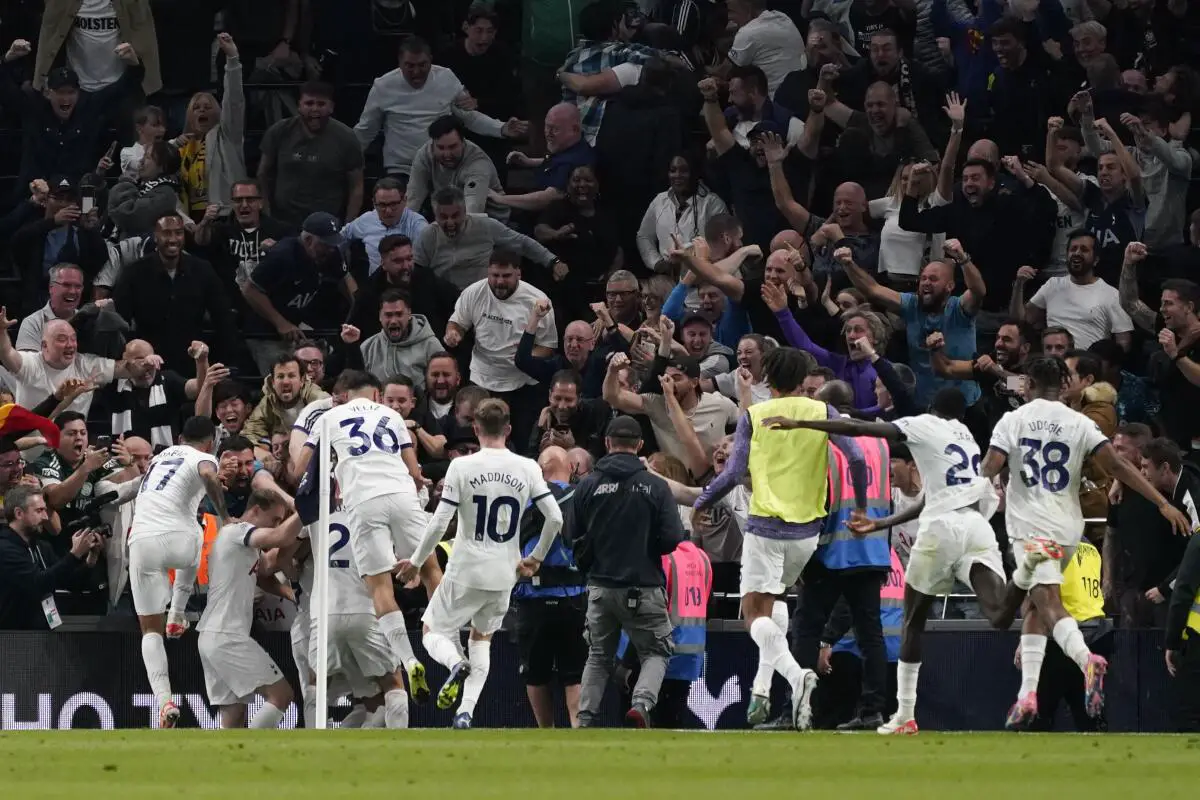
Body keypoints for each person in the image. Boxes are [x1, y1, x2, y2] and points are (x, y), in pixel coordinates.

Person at [778, 388, 1015, 734]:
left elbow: (860, 430)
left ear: (932, 409)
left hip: (876, 543)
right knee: (996, 614)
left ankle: (900, 714)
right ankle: (1023, 577)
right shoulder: (967, 440)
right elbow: (937, 493)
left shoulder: (921, 426)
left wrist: (800, 422)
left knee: (908, 623)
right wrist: (882, 523)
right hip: (960, 530)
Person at [980, 356, 1190, 729]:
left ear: (1028, 384)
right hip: (1068, 528)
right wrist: (1161, 503)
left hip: (1031, 526)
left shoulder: (1013, 420)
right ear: (1063, 385)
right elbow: (1120, 467)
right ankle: (1027, 693)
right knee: (1035, 606)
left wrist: (973, 494)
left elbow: (990, 466)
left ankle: (1085, 660)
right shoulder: (1080, 422)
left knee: (1047, 601)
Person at [695, 347, 867, 730]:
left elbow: (733, 473)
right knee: (775, 603)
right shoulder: (824, 412)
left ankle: (796, 677)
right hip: (807, 534)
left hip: (766, 527)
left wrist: (702, 500)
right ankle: (760, 689)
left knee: (753, 615)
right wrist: (858, 505)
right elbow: (855, 458)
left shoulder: (755, 416)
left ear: (767, 378)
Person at [397, 399, 563, 729]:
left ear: (475, 428)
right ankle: (465, 712)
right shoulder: (528, 467)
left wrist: (416, 562)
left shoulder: (461, 467)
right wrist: (536, 558)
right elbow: (555, 518)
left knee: (433, 631)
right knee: (482, 638)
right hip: (505, 572)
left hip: (466, 566)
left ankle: (455, 663)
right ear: (509, 429)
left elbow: (440, 520)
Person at [301, 370, 432, 706]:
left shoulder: (328, 418)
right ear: (376, 394)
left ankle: (409, 658)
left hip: (362, 504)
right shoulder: (392, 415)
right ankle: (445, 644)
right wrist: (418, 486)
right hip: (402, 495)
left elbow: (300, 465)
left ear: (343, 395)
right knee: (430, 571)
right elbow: (415, 472)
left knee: (380, 588)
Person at [568, 415, 685, 728]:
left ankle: (586, 717)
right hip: (644, 584)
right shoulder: (657, 486)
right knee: (656, 652)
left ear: (607, 443)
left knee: (598, 655)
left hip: (600, 587)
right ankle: (641, 704)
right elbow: (674, 538)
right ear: (640, 445)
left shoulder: (588, 484)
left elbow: (571, 534)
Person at [127, 416, 230, 729]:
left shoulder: (160, 456)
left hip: (141, 542)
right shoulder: (203, 457)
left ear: (182, 436)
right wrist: (224, 515)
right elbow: (210, 477)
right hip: (180, 541)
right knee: (197, 531)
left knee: (149, 632)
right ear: (210, 442)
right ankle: (177, 615)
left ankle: (164, 701)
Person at [196, 490, 299, 729]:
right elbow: (280, 536)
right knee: (281, 695)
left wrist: (290, 594)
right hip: (227, 636)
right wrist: (307, 506)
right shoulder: (236, 531)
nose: (276, 524)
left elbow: (264, 570)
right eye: (274, 518)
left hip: (212, 636)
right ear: (255, 510)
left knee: (233, 717)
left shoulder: (243, 546)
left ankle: (226, 764)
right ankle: (252, 753)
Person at [513, 446, 586, 728]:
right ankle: (578, 728)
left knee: (535, 672)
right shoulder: (580, 498)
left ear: (539, 469)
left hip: (533, 595)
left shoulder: (525, 498)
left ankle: (546, 731)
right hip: (574, 597)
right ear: (570, 466)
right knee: (575, 672)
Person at [257, 81, 365, 228]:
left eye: (321, 104)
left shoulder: (346, 137)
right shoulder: (279, 131)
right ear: (299, 105)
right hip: (282, 222)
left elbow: (357, 186)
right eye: (309, 103)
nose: (315, 109)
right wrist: (266, 215)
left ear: (331, 107)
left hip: (327, 224)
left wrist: (348, 227)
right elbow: (262, 174)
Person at [0, 485, 101, 631]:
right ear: (19, 513)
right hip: (12, 636)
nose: (46, 517)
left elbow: (70, 582)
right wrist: (74, 554)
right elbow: (38, 583)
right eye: (39, 511)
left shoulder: (41, 547)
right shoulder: (5, 549)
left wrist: (91, 558)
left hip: (43, 632)